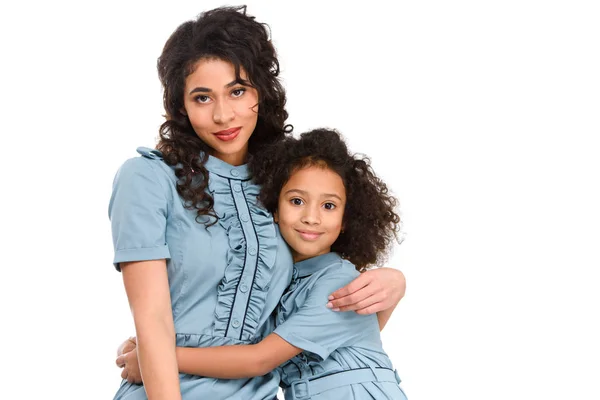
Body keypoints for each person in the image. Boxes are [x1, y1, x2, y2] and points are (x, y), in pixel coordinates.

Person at [109, 6, 406, 400]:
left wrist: (393, 283)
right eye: (202, 97)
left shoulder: (281, 182)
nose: (222, 114)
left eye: (237, 91)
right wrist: (151, 355)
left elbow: (314, 310)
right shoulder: (148, 178)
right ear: (180, 106)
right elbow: (153, 323)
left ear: (261, 91)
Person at [117, 128, 408, 400]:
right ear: (273, 208)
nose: (311, 217)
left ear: (346, 221)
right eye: (296, 201)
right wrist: (145, 344)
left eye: (328, 206)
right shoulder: (282, 285)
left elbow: (259, 359)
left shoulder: (339, 282)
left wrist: (156, 357)